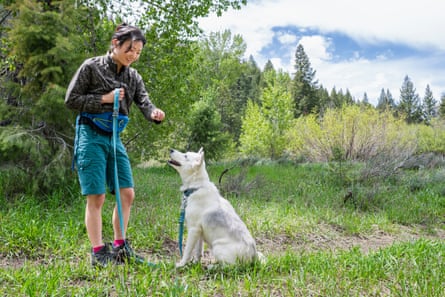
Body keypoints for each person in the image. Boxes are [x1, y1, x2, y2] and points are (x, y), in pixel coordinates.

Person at [65, 23, 165, 266]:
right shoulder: (91, 67)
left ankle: (121, 248)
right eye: (129, 49)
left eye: (138, 52)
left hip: (114, 138)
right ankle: (98, 252)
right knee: (97, 196)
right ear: (115, 44)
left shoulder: (133, 76)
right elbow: (71, 99)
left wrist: (153, 113)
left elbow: (144, 101)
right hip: (90, 134)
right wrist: (104, 99)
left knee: (127, 193)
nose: (133, 55)